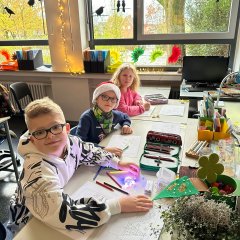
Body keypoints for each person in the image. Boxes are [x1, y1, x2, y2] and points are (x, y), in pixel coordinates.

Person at [7, 97, 152, 235]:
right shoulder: (37, 172)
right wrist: (117, 205)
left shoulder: (71, 142)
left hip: (55, 197)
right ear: (32, 138)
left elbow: (87, 150)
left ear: (67, 128)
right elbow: (64, 214)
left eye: (56, 127)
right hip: (28, 222)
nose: (50, 136)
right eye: (40, 132)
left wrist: (116, 162)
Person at [75, 81, 133, 157]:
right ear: (96, 98)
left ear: (116, 103)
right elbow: (79, 144)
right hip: (91, 154)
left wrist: (126, 125)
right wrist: (103, 149)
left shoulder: (114, 114)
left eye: (113, 99)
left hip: (107, 147)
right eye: (105, 97)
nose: (109, 101)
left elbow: (125, 116)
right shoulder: (87, 118)